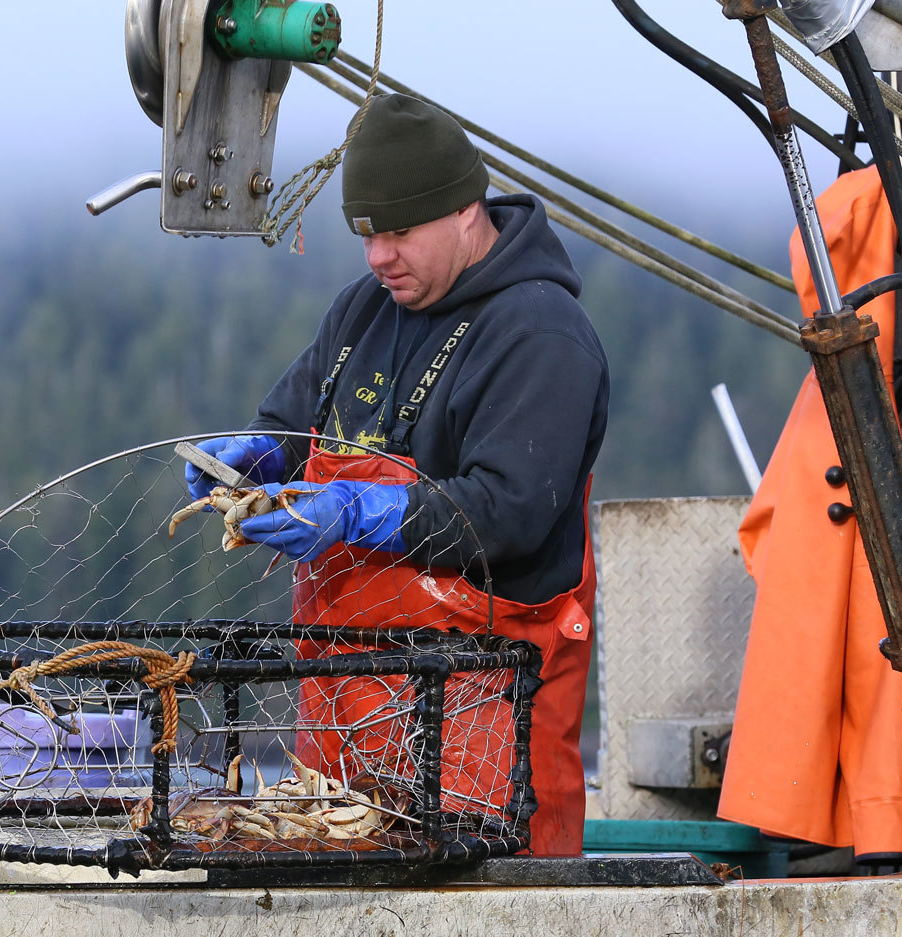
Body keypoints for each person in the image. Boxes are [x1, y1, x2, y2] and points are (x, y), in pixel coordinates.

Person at [185, 94, 608, 855]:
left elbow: (510, 511)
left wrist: (357, 511)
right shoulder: (362, 310)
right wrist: (256, 459)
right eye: (366, 235)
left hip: (481, 735)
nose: (380, 257)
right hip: (343, 730)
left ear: (466, 210)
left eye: (400, 232)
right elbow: (292, 426)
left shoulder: (542, 332)